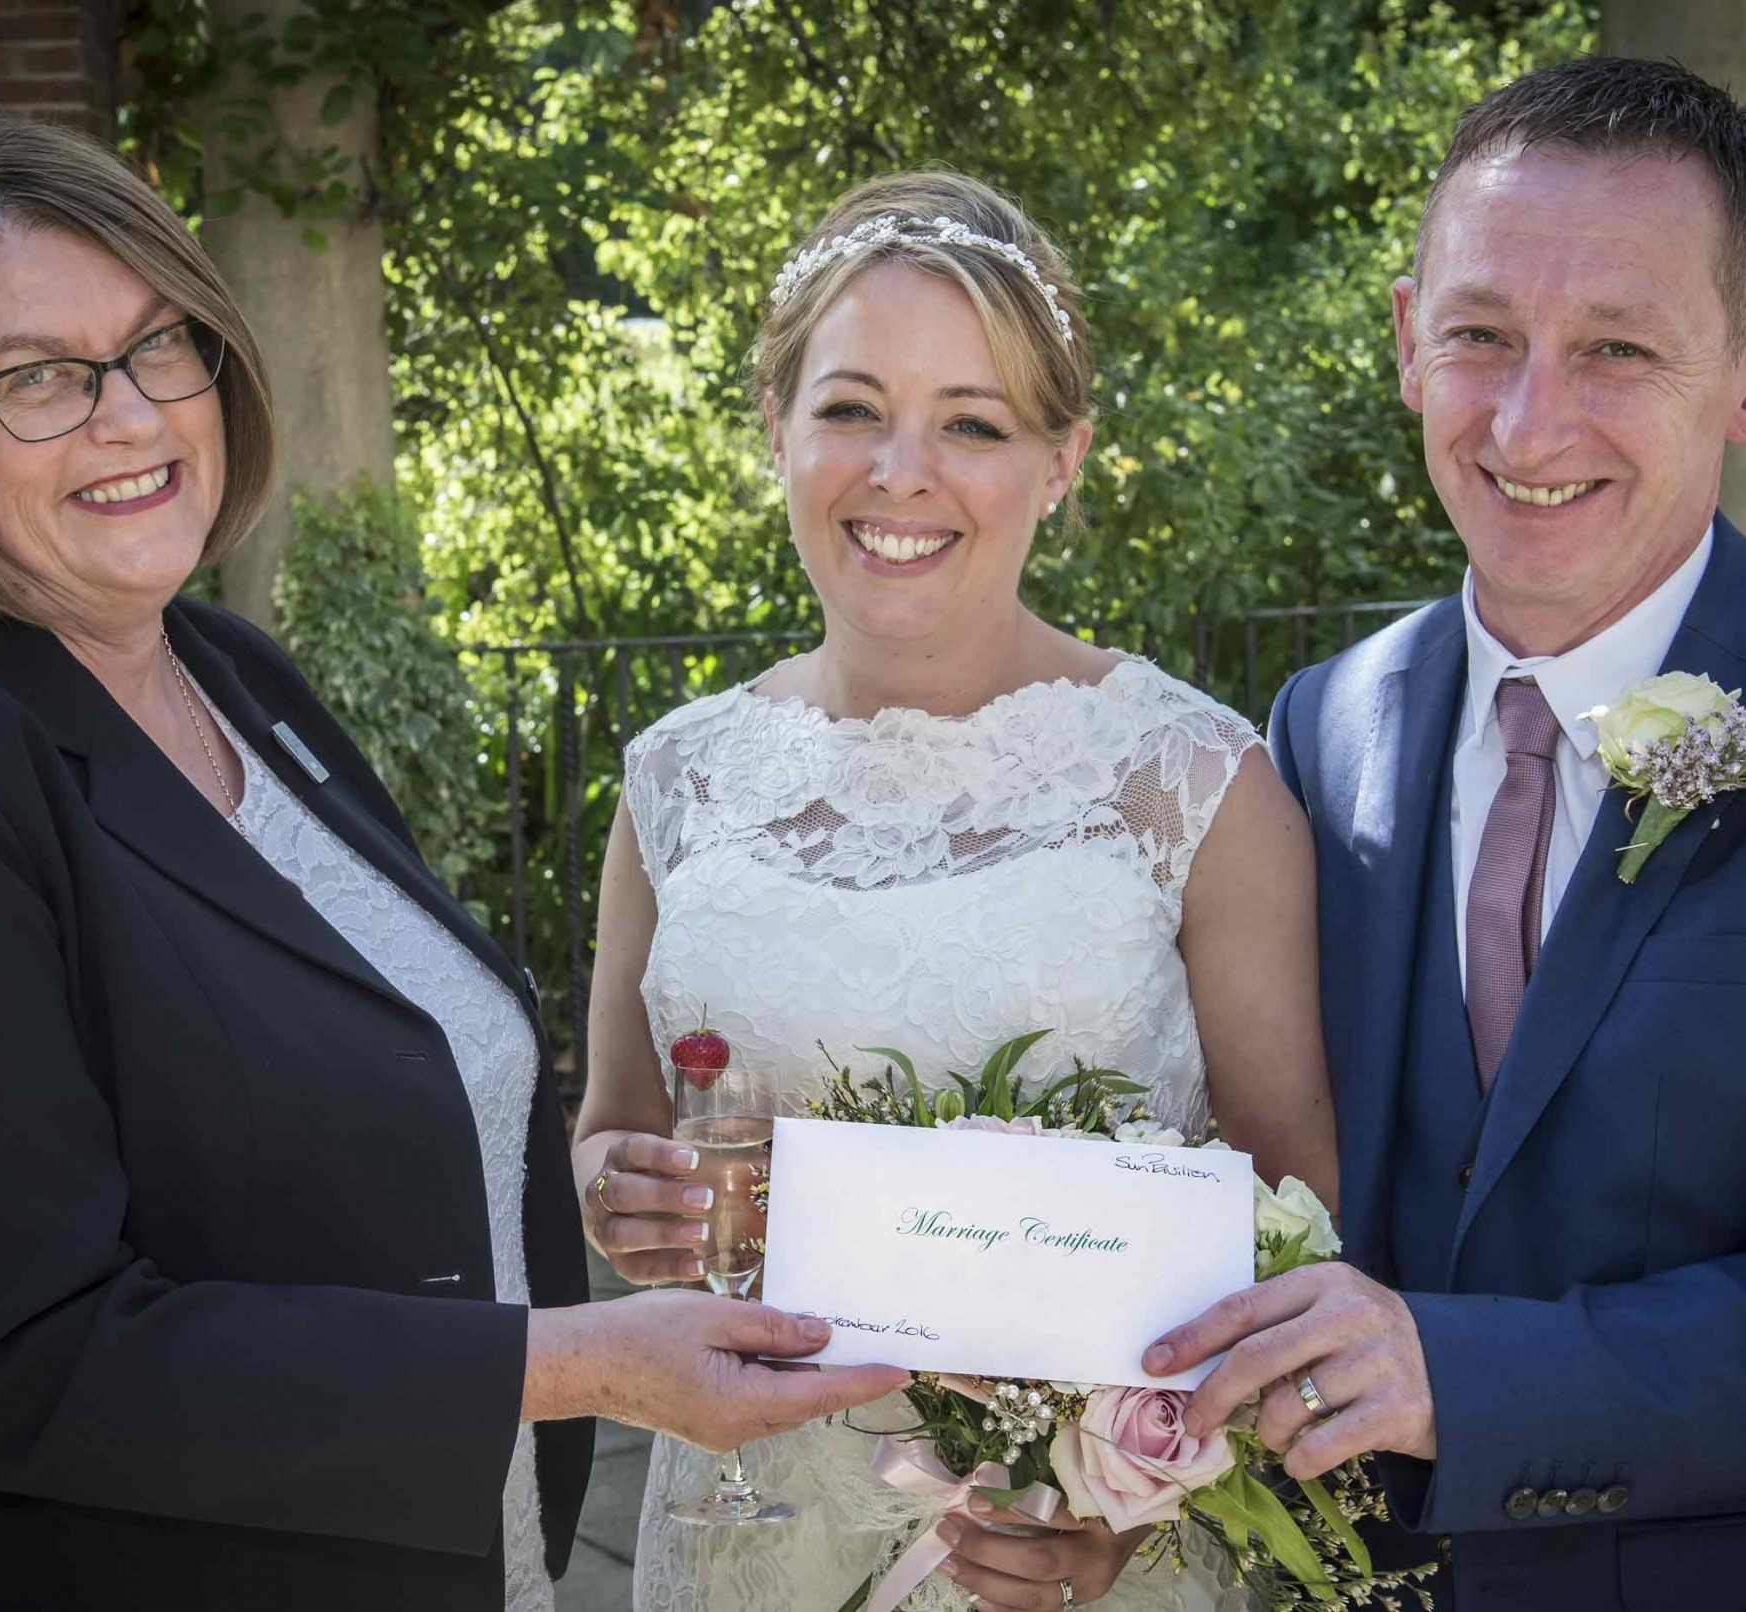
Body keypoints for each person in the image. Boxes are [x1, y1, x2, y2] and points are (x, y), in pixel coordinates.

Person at [0, 113, 905, 1611]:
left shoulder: (229, 673)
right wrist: (578, 1367)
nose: (128, 415)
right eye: (38, 378)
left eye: (156, 346)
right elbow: (34, 1363)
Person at [1141, 57, 1746, 1612]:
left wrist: (1452, 1372)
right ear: (1405, 341)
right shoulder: (1325, 720)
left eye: (1617, 348)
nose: (1531, 417)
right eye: (1480, 336)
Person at [570, 171, 1340, 1612]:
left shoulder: (1190, 782)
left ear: (1065, 461)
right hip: (749, 1533)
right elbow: (613, 1132)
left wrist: (1137, 1493)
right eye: (851, 409)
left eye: (972, 424)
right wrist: (621, 1199)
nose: (899, 471)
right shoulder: (678, 779)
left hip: (1080, 1561)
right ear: (778, 433)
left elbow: (1294, 1211)